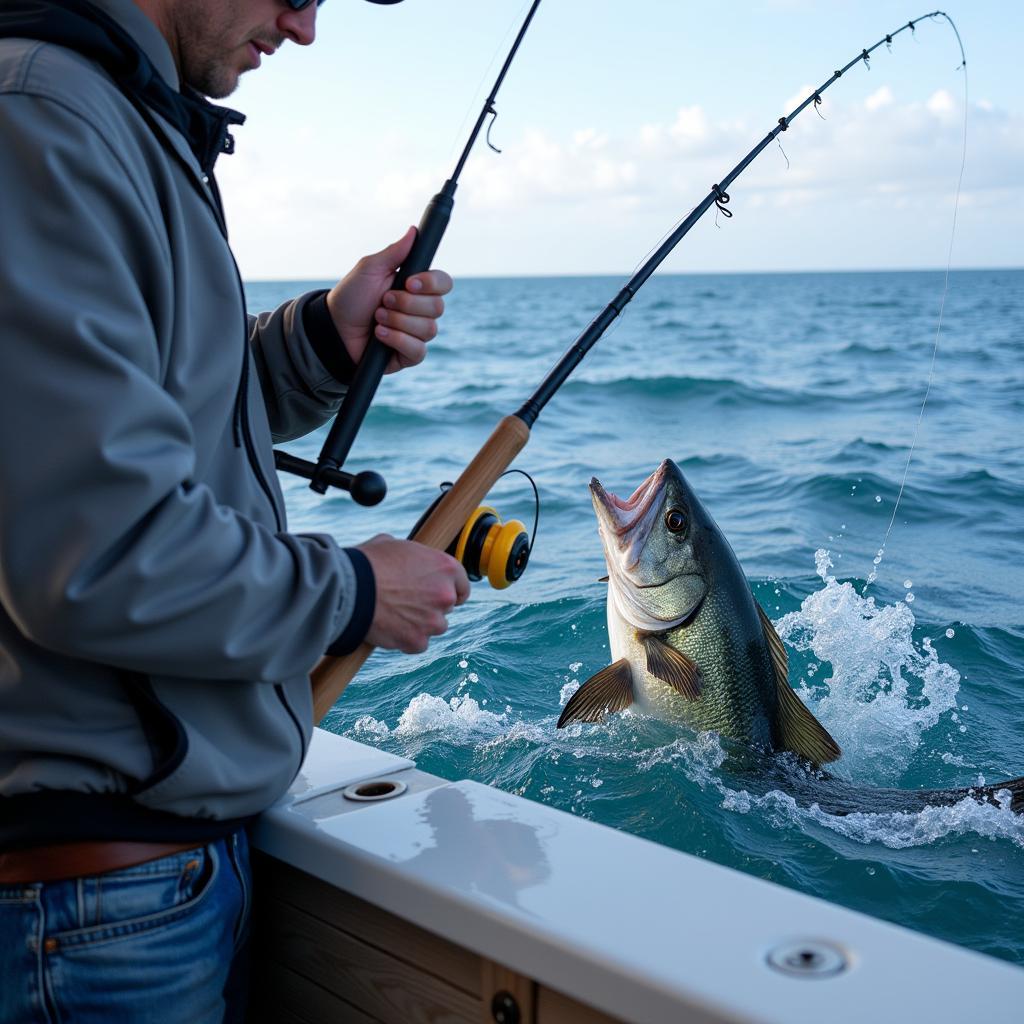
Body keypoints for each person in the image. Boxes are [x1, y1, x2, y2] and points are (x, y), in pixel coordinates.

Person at [0, 0, 470, 1020]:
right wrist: (355, 592)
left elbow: (151, 412)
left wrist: (315, 344)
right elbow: (97, 551)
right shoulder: (41, 116)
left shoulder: (115, 111)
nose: (304, 29)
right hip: (89, 906)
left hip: (136, 880)